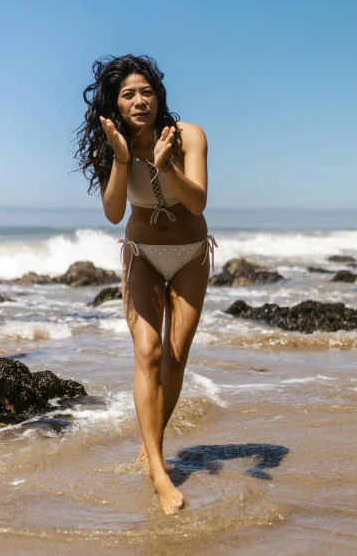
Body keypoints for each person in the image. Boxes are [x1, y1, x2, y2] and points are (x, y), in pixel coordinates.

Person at [75, 54, 216, 515]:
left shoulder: (188, 136)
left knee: (175, 358)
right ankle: (158, 470)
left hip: (191, 254)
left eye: (147, 91)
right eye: (128, 94)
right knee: (148, 353)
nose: (139, 101)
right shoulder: (110, 145)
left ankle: (152, 443)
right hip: (142, 255)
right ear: (116, 102)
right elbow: (114, 213)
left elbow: (196, 203)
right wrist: (121, 159)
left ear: (159, 96)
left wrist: (165, 165)